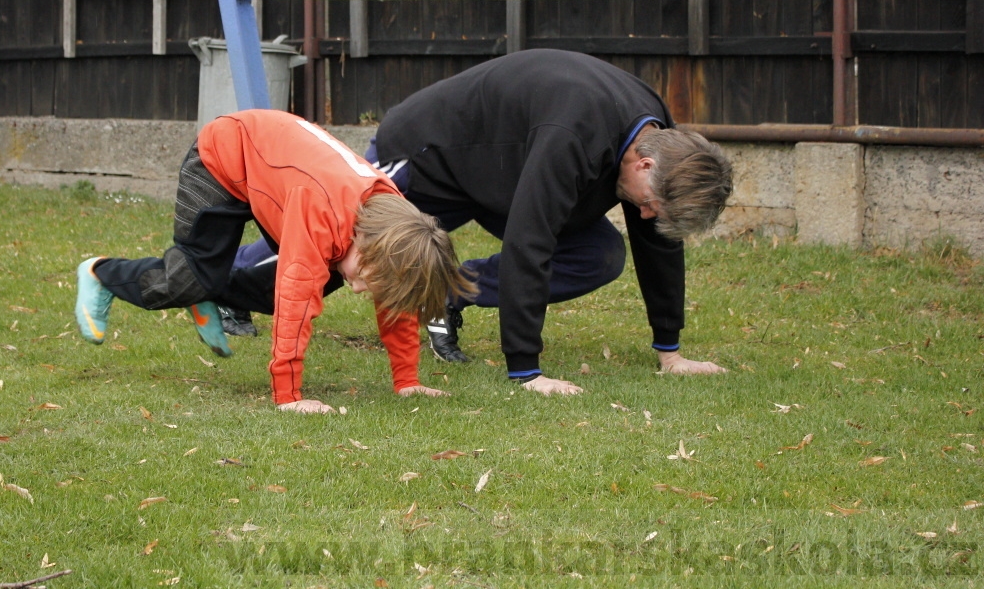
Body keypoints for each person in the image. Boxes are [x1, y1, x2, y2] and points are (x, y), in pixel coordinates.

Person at [221, 51, 733, 397]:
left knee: (601, 254)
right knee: (338, 256)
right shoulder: (574, 134)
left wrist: (671, 350)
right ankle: (222, 284)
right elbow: (530, 239)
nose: (644, 217)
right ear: (643, 164)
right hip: (433, 153)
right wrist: (526, 370)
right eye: (650, 205)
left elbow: (656, 242)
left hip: (505, 171)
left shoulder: (657, 136)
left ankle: (450, 291)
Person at [73, 109, 474, 413]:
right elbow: (296, 297)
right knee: (189, 277)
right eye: (370, 278)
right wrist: (289, 396)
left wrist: (406, 380)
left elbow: (395, 296)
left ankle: (209, 290)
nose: (363, 290)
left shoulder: (392, 225)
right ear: (366, 244)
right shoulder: (324, 213)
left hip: (276, 173)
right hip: (224, 155)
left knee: (263, 292)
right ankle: (100, 272)